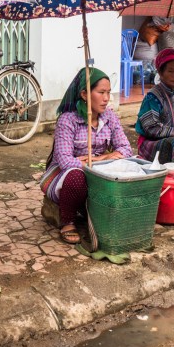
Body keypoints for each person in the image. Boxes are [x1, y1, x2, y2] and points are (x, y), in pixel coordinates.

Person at [40, 68, 132, 244]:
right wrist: (107, 157)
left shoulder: (110, 117)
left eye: (108, 92)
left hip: (98, 170)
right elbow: (65, 160)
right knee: (77, 176)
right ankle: (67, 221)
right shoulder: (68, 120)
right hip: (64, 175)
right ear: (84, 94)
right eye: (101, 92)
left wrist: (97, 160)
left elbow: (126, 149)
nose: (106, 98)